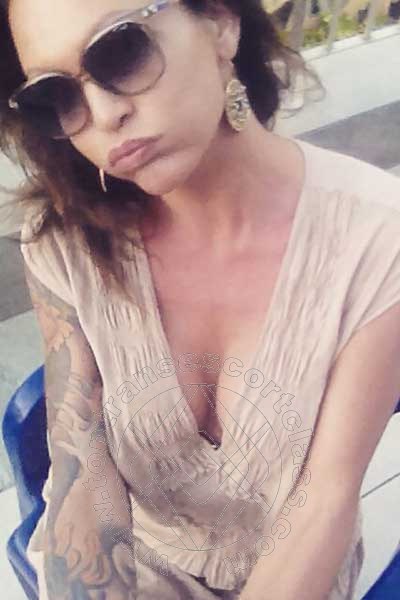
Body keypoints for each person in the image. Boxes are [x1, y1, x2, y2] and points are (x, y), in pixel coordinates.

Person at [1, 1, 400, 599]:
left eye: (121, 50)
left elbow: (323, 499)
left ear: (220, 22)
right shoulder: (68, 243)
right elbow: (81, 460)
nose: (104, 114)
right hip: (141, 556)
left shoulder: (379, 240)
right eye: (56, 95)